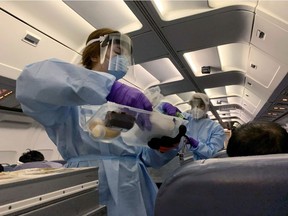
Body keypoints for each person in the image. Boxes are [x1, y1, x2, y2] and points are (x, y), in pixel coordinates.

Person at [16, 28, 180, 216]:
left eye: (127, 57)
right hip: (85, 179)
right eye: (118, 53)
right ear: (94, 55)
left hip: (132, 183)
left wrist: (163, 147)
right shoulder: (66, 94)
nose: (124, 61)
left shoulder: (131, 102)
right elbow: (29, 83)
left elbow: (144, 156)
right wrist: (110, 88)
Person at [157, 93, 225, 160]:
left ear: (207, 106)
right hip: (182, 166)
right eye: (193, 105)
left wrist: (197, 145)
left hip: (205, 168)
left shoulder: (216, 128)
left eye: (200, 105)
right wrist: (163, 106)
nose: (196, 109)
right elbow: (156, 117)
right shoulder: (184, 119)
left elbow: (214, 154)